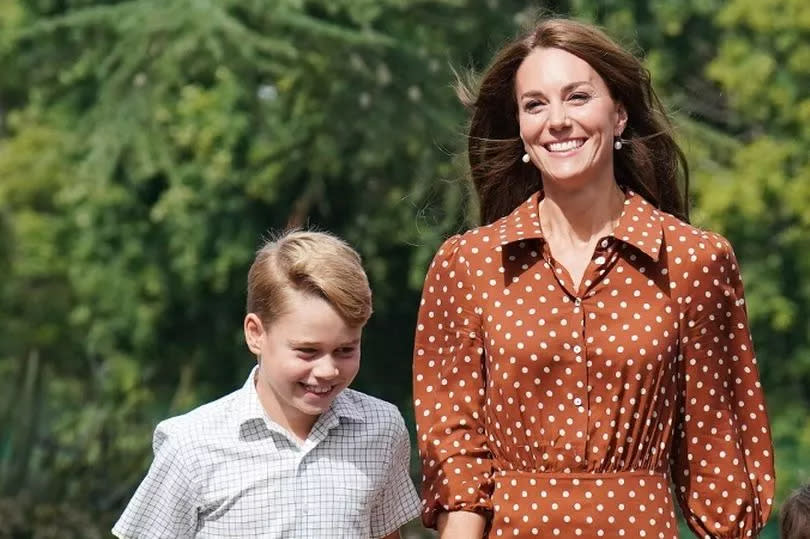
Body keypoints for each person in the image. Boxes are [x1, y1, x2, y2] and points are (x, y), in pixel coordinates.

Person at [412, 17, 775, 538]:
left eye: (577, 97)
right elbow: (458, 461)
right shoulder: (468, 265)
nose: (556, 121)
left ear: (619, 113)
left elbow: (717, 460)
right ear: (520, 128)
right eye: (535, 104)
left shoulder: (695, 261)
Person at [114, 230, 421, 538]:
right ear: (255, 334)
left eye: (345, 350)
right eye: (307, 351)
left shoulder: (382, 430)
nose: (327, 370)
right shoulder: (191, 446)